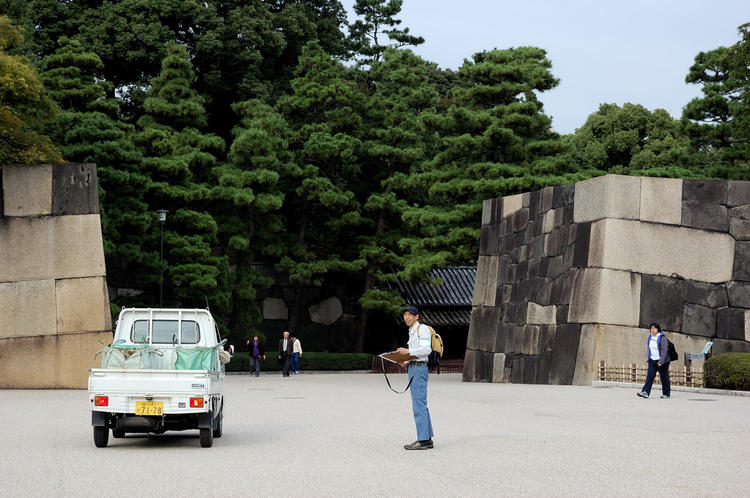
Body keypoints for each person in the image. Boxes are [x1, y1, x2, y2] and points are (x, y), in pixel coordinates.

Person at [396, 305, 434, 450]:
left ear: (416, 316)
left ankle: (423, 440)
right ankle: (427, 438)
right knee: (420, 403)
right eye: (405, 315)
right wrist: (406, 360)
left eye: (410, 315)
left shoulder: (422, 329)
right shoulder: (412, 332)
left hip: (419, 369)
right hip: (414, 367)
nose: (407, 317)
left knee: (418, 404)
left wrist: (408, 351)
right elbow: (417, 353)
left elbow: (426, 349)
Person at [637, 322, 671, 399]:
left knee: (664, 377)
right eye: (651, 328)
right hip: (652, 360)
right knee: (650, 376)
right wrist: (649, 358)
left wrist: (661, 361)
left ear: (658, 329)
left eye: (654, 328)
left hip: (662, 361)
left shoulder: (662, 338)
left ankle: (666, 393)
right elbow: (650, 348)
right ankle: (645, 392)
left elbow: (664, 350)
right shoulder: (650, 337)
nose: (652, 330)